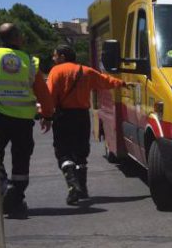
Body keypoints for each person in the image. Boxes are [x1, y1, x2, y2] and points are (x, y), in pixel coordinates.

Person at [47, 44, 126, 204]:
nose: (53, 58)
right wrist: (123, 84)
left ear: (62, 57)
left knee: (64, 152)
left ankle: (72, 185)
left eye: (54, 55)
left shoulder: (56, 71)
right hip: (82, 116)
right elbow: (106, 81)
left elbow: (50, 95)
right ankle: (82, 189)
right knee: (81, 152)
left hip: (63, 116)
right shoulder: (86, 71)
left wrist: (46, 116)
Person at [0, 23, 54, 218]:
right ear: (17, 37)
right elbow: (43, 93)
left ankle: (2, 186)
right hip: (22, 120)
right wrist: (47, 115)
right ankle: (16, 195)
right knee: (21, 159)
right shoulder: (29, 60)